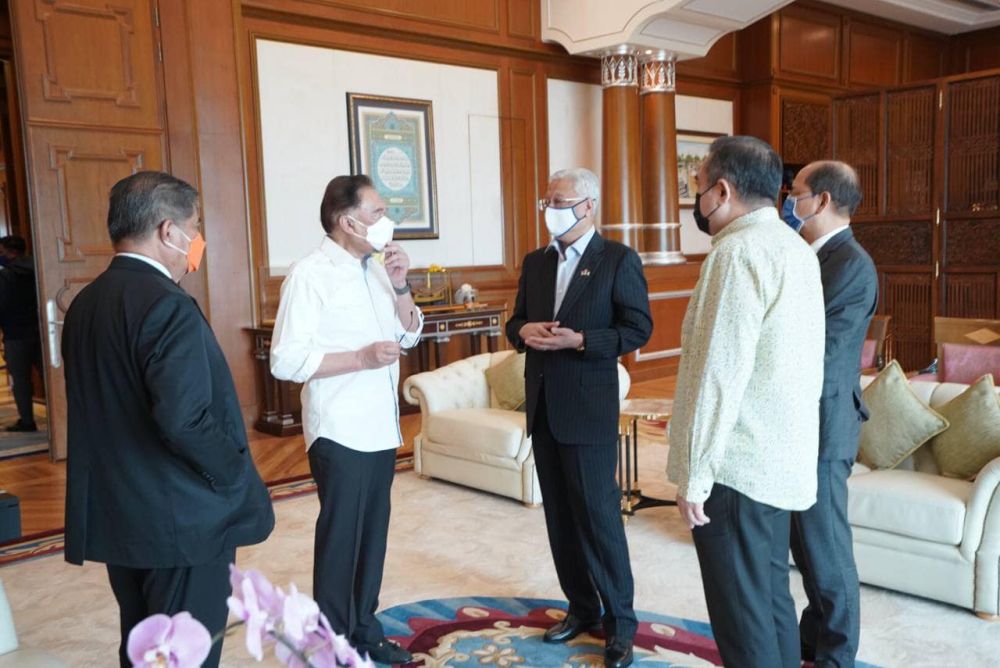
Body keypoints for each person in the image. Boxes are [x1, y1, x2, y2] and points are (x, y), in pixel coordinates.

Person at [62, 171, 275, 668]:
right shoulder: (168, 305)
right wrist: (234, 473)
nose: (196, 242)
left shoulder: (84, 304)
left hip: (122, 514)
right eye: (194, 227)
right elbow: (184, 421)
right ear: (167, 231)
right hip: (181, 521)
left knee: (142, 648)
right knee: (185, 654)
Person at [666, 136, 826, 668]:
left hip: (737, 467)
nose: (697, 199)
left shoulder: (736, 252)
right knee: (770, 601)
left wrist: (694, 474)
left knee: (742, 619)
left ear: (723, 189)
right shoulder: (794, 247)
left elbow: (718, 373)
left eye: (697, 187)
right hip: (780, 460)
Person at [270, 174, 422, 665]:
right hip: (339, 427)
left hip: (381, 424)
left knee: (372, 533)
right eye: (378, 213)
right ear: (346, 220)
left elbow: (410, 334)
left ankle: (363, 627)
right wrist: (358, 359)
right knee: (342, 538)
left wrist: (401, 286)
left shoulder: (378, 268)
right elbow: (286, 360)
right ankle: (332, 643)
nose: (387, 223)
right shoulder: (309, 274)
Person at [506, 167, 652, 668]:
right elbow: (515, 320)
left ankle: (621, 625)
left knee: (599, 519)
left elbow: (638, 329)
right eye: (546, 199)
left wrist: (583, 340)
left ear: (588, 205)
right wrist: (524, 331)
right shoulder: (536, 261)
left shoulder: (617, 260)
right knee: (561, 520)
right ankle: (582, 607)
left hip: (587, 410)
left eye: (560, 199)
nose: (550, 207)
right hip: (544, 407)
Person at [783, 161, 878, 668]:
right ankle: (809, 644)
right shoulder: (809, 255)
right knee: (806, 550)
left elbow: (825, 355)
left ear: (820, 200)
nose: (788, 201)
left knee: (827, 554)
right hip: (798, 423)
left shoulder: (851, 264)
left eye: (794, 192)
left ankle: (838, 657)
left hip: (825, 424)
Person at [0, 235, 43, 432]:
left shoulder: (6, 276)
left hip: (15, 335)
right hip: (42, 331)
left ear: (11, 252)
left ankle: (27, 420)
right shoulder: (41, 266)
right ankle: (65, 415)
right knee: (50, 376)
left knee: (21, 380)